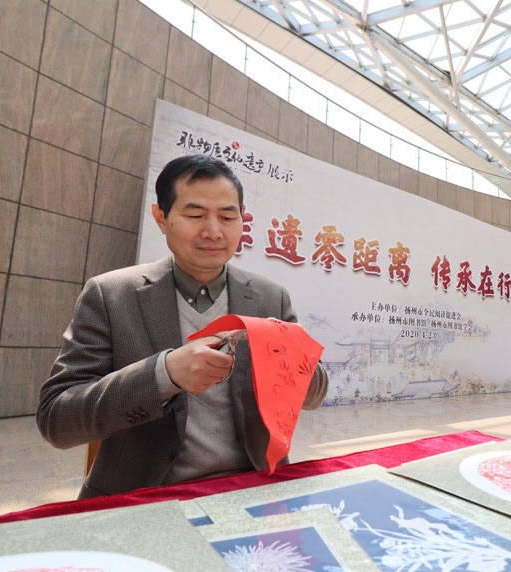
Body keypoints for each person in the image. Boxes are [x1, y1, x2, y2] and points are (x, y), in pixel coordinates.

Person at [39, 155, 328, 499]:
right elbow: (57, 420)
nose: (213, 231)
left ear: (242, 219)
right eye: (195, 215)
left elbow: (315, 396)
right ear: (161, 218)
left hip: (252, 490)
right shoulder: (110, 295)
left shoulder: (270, 297)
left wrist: (293, 359)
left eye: (227, 216)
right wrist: (164, 374)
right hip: (143, 498)